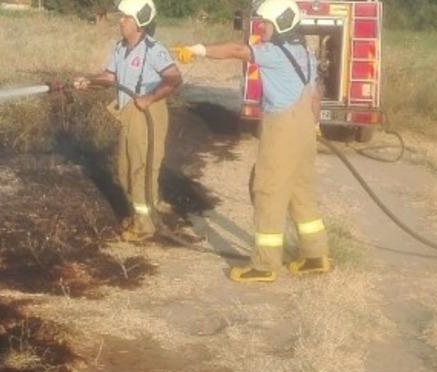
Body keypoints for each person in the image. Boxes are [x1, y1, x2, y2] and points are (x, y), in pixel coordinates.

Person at [173, 0, 331, 283]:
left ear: (281, 24)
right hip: (306, 125)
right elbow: (316, 93)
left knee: (267, 190)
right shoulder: (304, 53)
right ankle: (315, 255)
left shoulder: (274, 52)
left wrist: (197, 50)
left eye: (267, 24)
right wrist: (314, 125)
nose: (263, 29)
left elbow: (236, 50)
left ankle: (264, 265)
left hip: (282, 127)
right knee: (301, 190)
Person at [73, 0, 183, 242]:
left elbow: (174, 78)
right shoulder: (120, 48)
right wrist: (87, 81)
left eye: (125, 17)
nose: (120, 21)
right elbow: (110, 77)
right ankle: (142, 212)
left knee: (140, 169)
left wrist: (150, 97)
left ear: (139, 22)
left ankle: (144, 224)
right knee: (124, 170)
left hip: (147, 113)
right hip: (128, 113)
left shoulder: (154, 50)